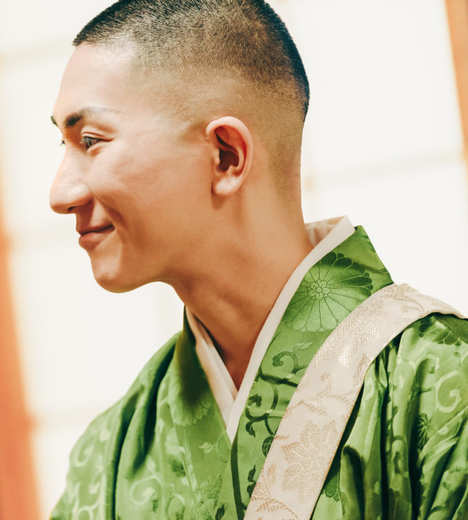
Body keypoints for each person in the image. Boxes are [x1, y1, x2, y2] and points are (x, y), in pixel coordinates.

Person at [47, 0, 467, 519]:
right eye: (63, 143)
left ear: (227, 156)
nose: (59, 193)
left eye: (91, 141)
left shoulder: (441, 384)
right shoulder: (111, 452)